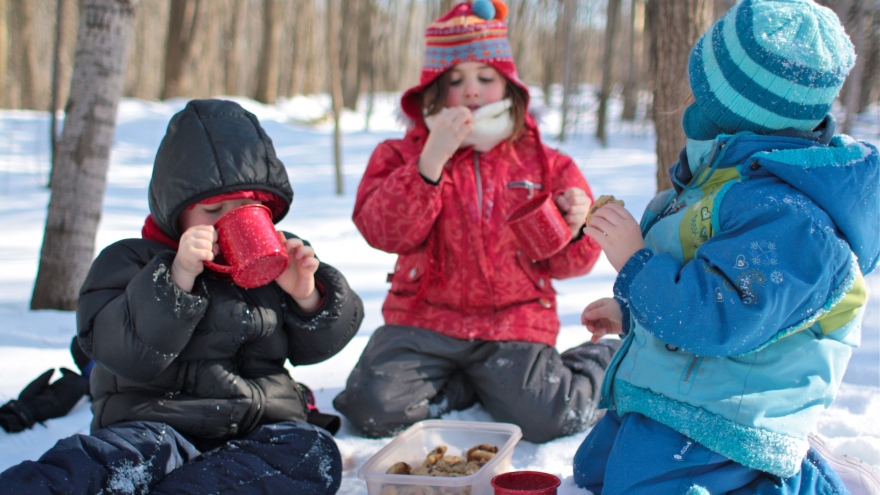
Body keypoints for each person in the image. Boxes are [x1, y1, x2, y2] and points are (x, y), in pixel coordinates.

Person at [573, 0, 880, 493]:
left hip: (735, 423)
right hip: (682, 399)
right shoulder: (724, 178)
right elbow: (707, 278)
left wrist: (634, 262)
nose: (691, 102)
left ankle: (800, 480)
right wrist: (631, 309)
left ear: (740, 106)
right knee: (596, 470)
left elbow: (719, 316)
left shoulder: (793, 219)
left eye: (705, 91)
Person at [0, 99, 364, 495]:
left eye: (249, 208)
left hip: (257, 428)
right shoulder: (131, 261)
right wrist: (176, 278)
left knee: (314, 453)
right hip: (153, 424)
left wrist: (307, 295)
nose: (231, 219)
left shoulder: (282, 260)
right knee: (94, 466)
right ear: (176, 213)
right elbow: (117, 349)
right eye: (213, 209)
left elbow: (320, 345)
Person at [332, 0, 620, 444]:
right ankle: (469, 383)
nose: (471, 91)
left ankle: (603, 359)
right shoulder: (399, 155)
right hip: (422, 319)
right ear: (432, 92)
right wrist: (431, 160)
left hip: (514, 323)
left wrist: (578, 225)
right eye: (455, 80)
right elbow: (382, 232)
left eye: (485, 79)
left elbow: (572, 265)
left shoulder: (547, 163)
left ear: (508, 88)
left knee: (547, 417)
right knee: (371, 409)